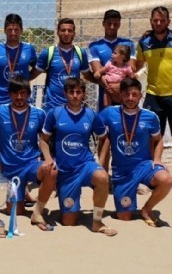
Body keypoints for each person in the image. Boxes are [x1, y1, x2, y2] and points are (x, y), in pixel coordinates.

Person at [40, 77, 116, 236]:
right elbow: (43, 141)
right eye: (71, 92)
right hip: (66, 171)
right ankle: (69, 206)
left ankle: (96, 221)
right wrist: (48, 158)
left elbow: (105, 138)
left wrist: (101, 164)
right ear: (65, 94)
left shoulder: (91, 115)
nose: (75, 95)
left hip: (85, 165)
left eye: (78, 92)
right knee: (69, 222)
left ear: (84, 94)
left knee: (102, 177)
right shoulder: (55, 113)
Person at [0, 76, 57, 232]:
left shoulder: (39, 114)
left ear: (29, 94)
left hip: (31, 165)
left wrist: (48, 158)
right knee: (16, 211)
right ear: (9, 94)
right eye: (15, 93)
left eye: (23, 93)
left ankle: (37, 212)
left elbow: (45, 139)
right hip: (9, 169)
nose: (19, 97)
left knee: (52, 170)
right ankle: (21, 194)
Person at [95, 78, 172, 226]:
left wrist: (157, 159)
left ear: (141, 95)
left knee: (166, 180)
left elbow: (158, 140)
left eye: (134, 94)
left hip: (144, 166)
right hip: (121, 170)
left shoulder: (150, 117)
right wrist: (103, 168)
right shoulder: (108, 114)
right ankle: (127, 201)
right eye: (126, 94)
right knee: (124, 216)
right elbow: (103, 142)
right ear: (120, 95)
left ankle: (147, 209)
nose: (130, 98)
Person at [137, 6, 172, 194]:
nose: (158, 23)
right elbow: (135, 65)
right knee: (151, 139)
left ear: (168, 21)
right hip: (153, 96)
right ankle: (152, 175)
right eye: (155, 20)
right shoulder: (144, 41)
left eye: (162, 20)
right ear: (151, 21)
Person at [36, 18, 93, 112]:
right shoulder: (48, 52)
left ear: (74, 33)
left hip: (75, 106)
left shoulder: (80, 52)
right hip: (53, 107)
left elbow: (88, 75)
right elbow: (32, 74)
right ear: (58, 32)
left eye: (70, 30)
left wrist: (103, 80)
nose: (66, 33)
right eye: (63, 30)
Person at [0, 13, 40, 108]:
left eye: (16, 29)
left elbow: (37, 68)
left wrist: (26, 79)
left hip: (22, 100)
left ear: (21, 30)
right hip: (0, 100)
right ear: (4, 30)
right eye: (10, 30)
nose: (13, 33)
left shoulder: (29, 49)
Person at [88, 9, 138, 111]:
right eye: (109, 23)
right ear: (103, 24)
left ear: (119, 24)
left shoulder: (128, 44)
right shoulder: (94, 46)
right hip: (106, 94)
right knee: (106, 122)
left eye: (115, 24)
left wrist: (120, 86)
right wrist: (111, 88)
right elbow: (98, 72)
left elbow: (131, 69)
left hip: (126, 95)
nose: (112, 27)